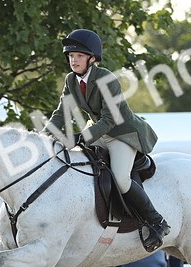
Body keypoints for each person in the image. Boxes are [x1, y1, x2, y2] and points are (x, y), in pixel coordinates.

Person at [45, 28, 168, 251]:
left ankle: (156, 221)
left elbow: (110, 119)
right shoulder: (71, 80)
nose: (74, 60)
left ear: (92, 58)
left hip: (122, 134)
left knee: (121, 179)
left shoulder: (106, 79)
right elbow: (62, 112)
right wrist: (43, 137)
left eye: (79, 56)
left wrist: (82, 137)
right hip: (100, 133)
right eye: (71, 56)